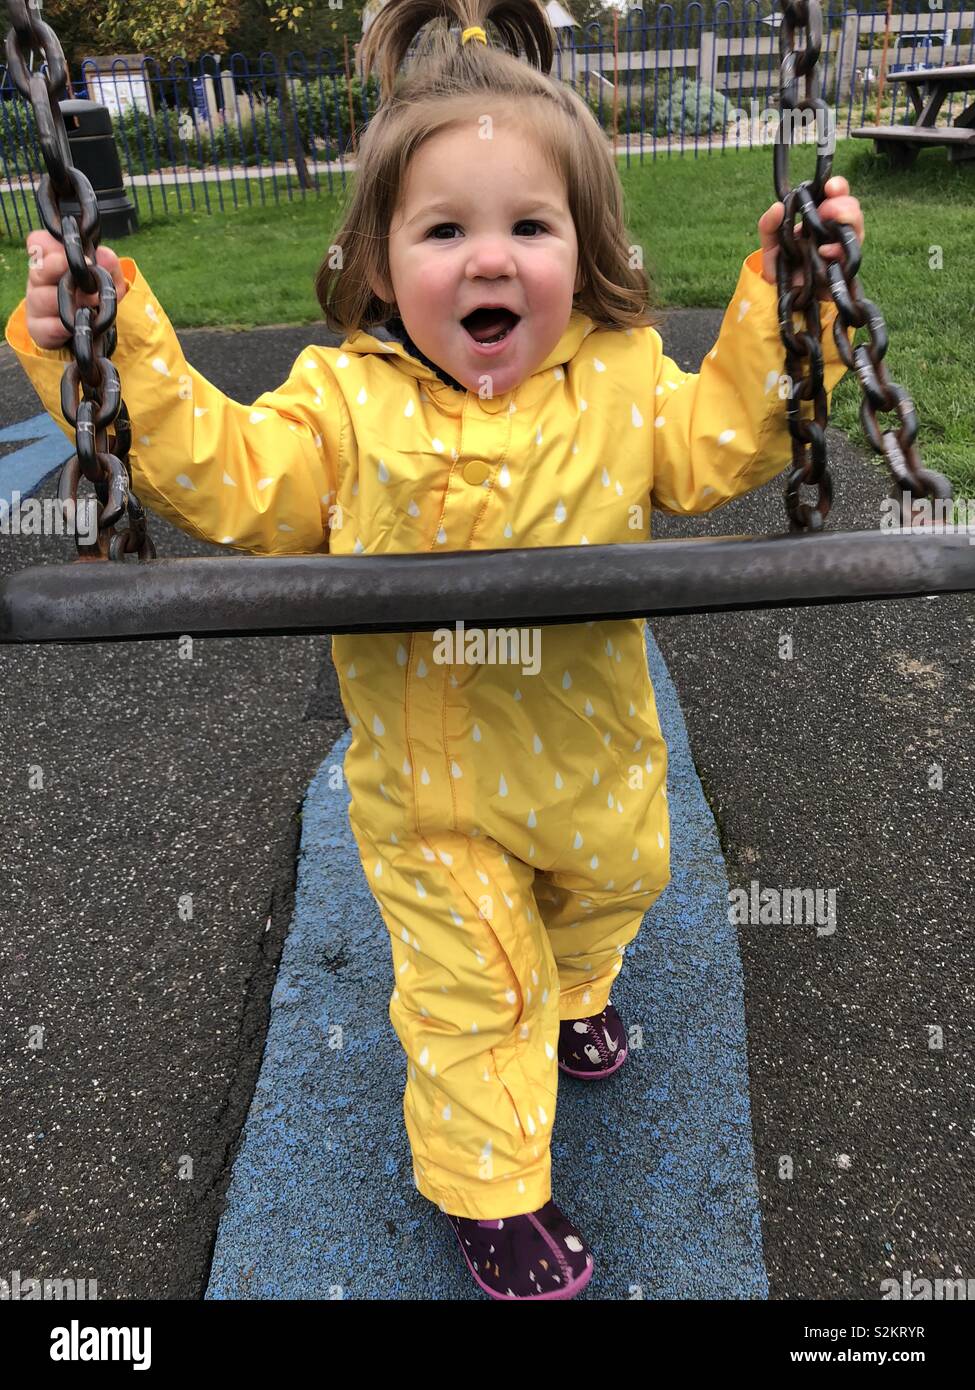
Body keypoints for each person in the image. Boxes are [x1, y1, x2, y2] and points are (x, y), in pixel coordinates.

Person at [6, 0, 864, 1301]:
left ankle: (580, 988)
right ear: (378, 258)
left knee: (615, 891)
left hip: (600, 763)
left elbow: (729, 441)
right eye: (445, 230)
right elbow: (238, 479)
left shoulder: (625, 381)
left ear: (587, 246)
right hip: (436, 795)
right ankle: (493, 1190)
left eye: (530, 227)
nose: (488, 259)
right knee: (479, 988)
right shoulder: (342, 407)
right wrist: (111, 350)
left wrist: (797, 311)